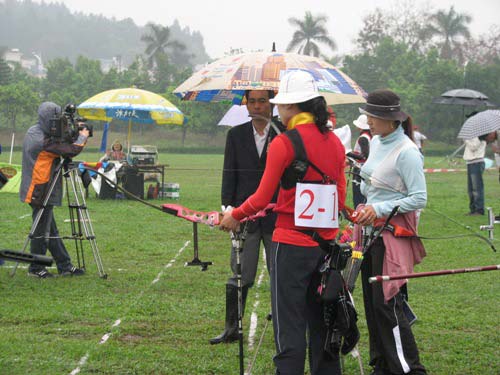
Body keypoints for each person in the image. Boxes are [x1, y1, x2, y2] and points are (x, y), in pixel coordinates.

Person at [220, 70, 346, 374]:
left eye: (280, 104)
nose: (277, 110)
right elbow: (339, 199)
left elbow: (262, 197)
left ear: (291, 107)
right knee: (323, 324)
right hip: (327, 247)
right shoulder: (335, 143)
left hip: (290, 246)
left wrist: (234, 215)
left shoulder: (284, 142)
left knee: (289, 326)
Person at [354, 89, 427, 375]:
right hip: (370, 234)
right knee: (373, 305)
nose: (368, 121)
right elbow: (374, 186)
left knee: (387, 305)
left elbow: (419, 197)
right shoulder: (377, 142)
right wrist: (362, 181)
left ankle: (409, 369)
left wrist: (381, 207)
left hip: (391, 237)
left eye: (373, 116)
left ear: (389, 119)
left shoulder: (407, 151)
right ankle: (382, 365)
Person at [210, 90, 283, 345]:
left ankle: (282, 327)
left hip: (279, 217)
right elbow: (228, 174)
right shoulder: (236, 135)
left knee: (281, 273)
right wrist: (229, 209)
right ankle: (232, 328)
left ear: (272, 104)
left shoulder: (285, 134)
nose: (257, 106)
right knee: (241, 273)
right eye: (251, 101)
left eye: (262, 101)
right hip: (245, 216)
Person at [19, 102, 89, 278]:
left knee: (50, 230)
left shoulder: (36, 130)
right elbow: (70, 150)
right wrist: (82, 136)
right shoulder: (40, 139)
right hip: (39, 189)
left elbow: (60, 141)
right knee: (41, 231)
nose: (57, 125)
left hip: (41, 186)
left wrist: (70, 131)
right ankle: (36, 268)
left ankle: (65, 265)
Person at [350, 114, 372, 208]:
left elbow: (364, 155)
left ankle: (358, 217)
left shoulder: (363, 138)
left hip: (360, 169)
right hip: (365, 168)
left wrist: (349, 154)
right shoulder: (369, 136)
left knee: (358, 194)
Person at [463, 135, 487, 216]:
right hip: (470, 162)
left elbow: (473, 147)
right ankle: (473, 209)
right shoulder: (472, 136)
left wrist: (466, 140)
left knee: (477, 188)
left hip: (477, 162)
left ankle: (479, 210)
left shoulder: (481, 136)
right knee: (471, 189)